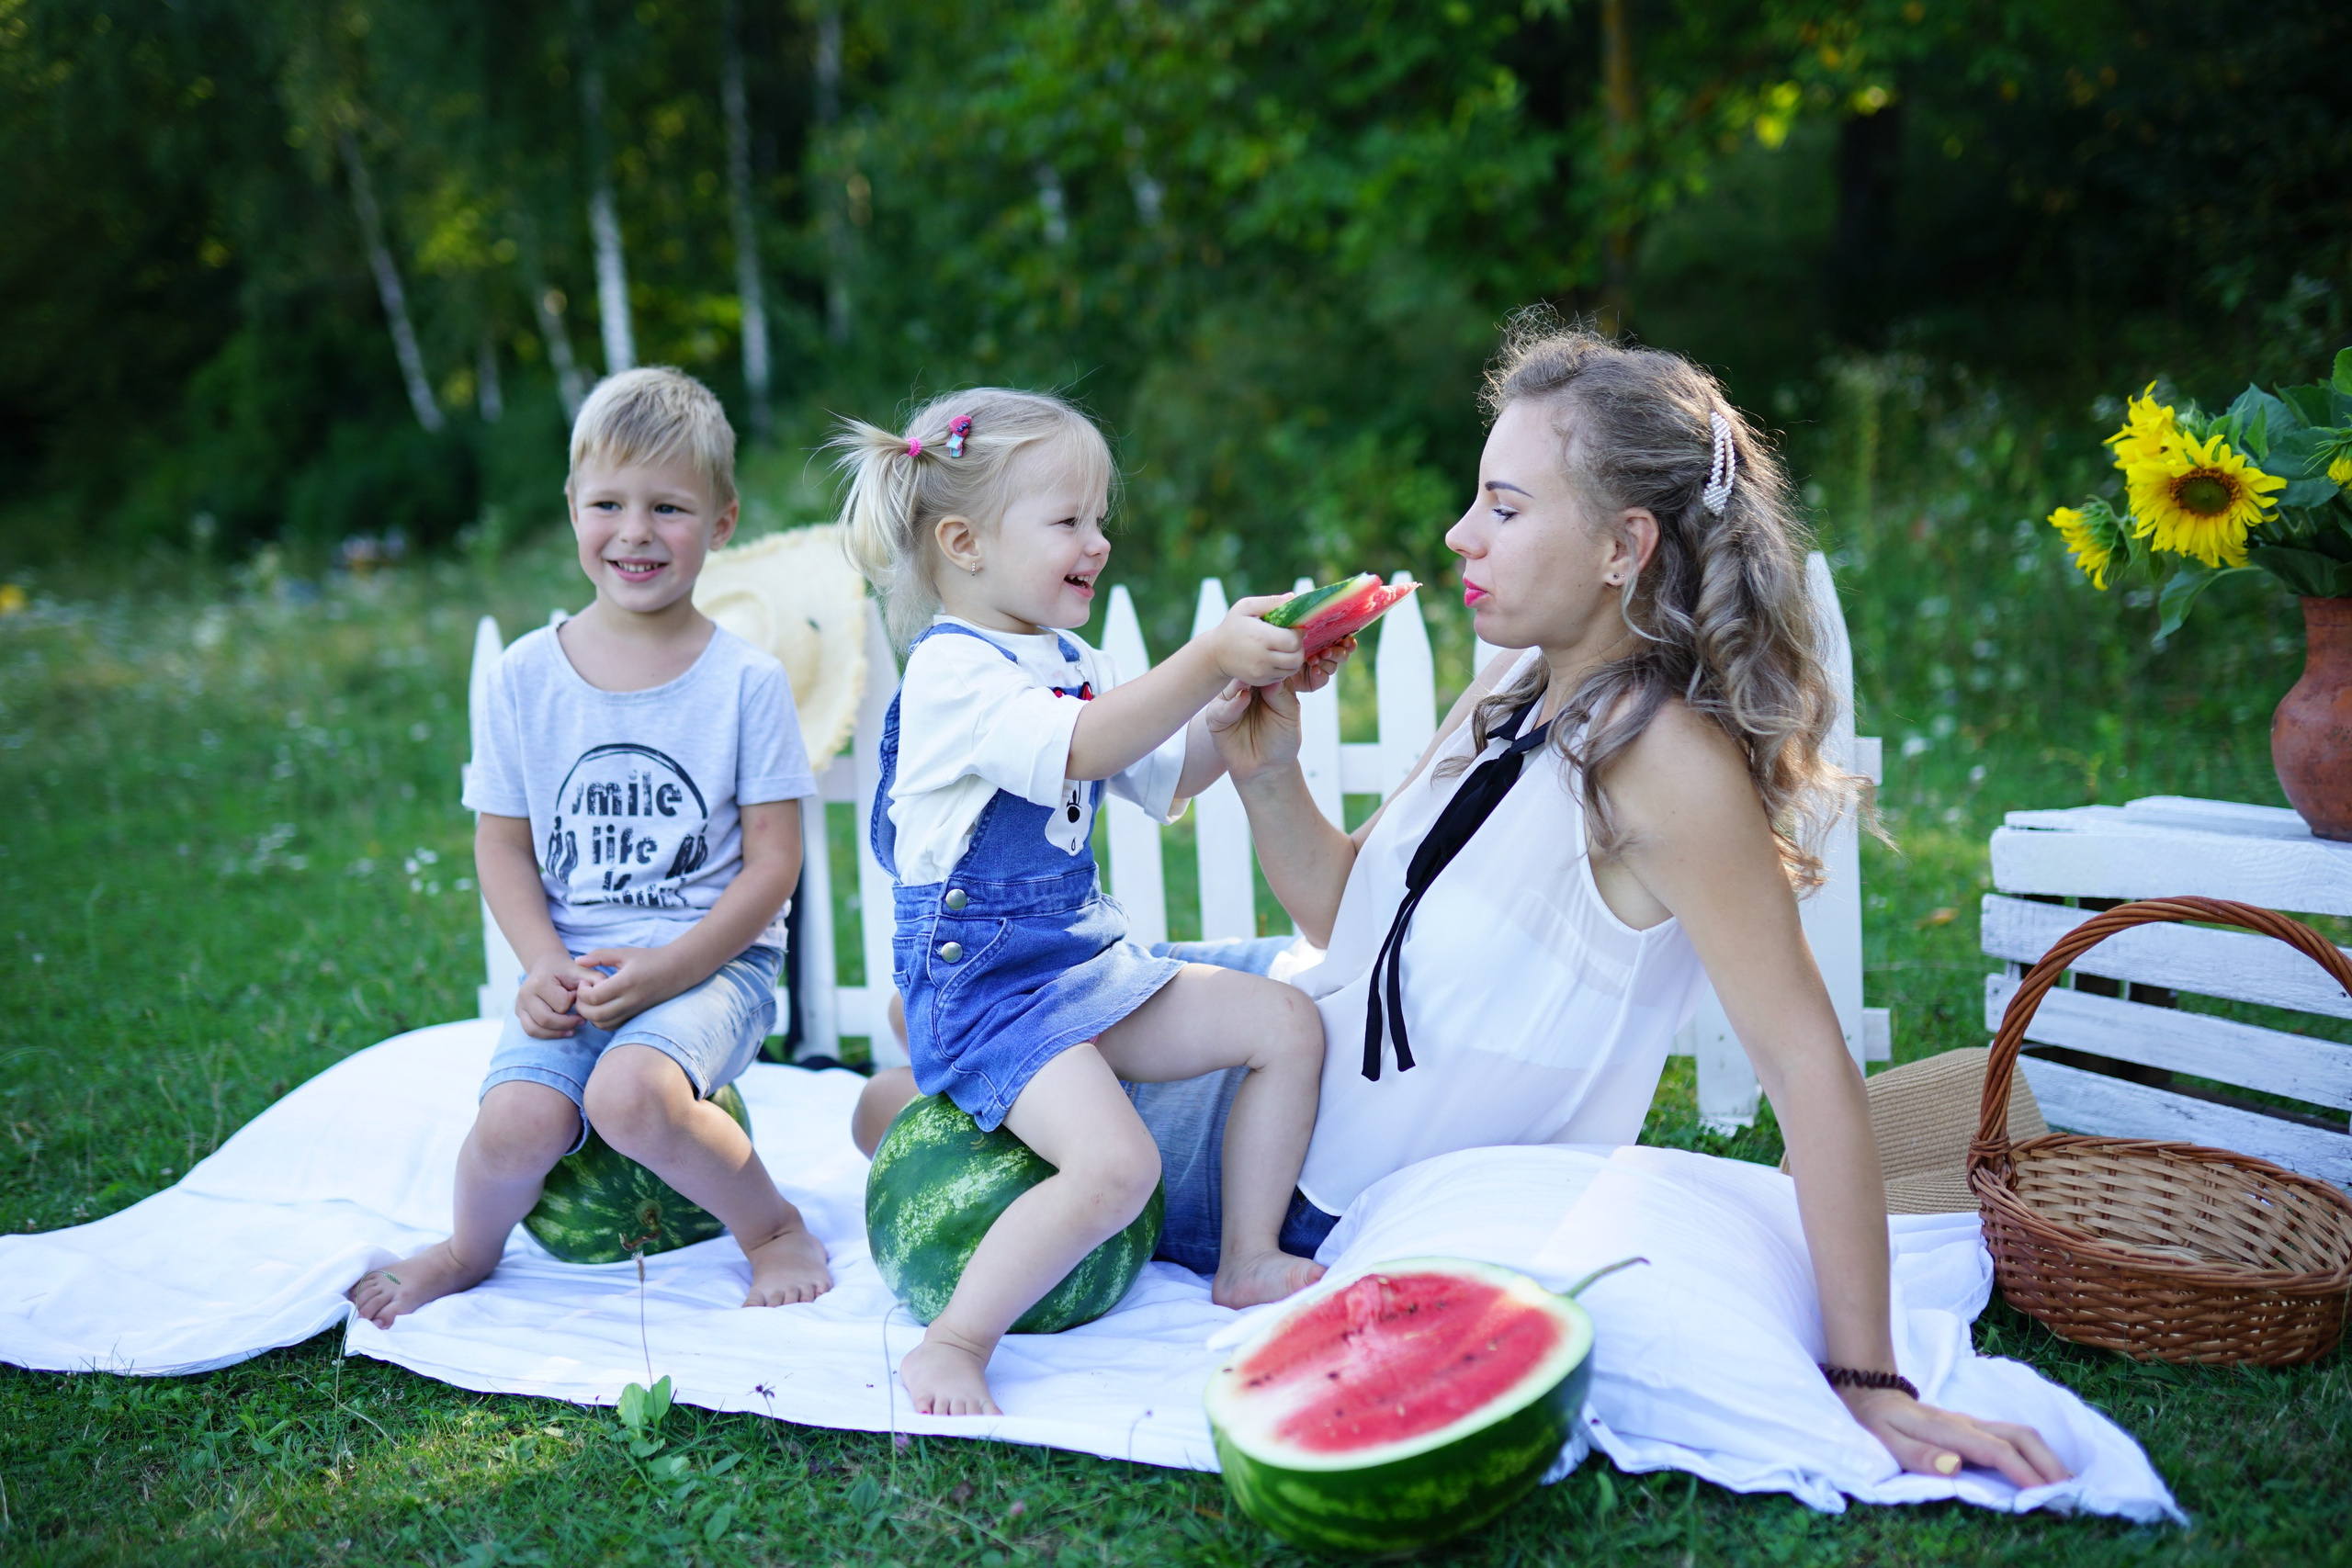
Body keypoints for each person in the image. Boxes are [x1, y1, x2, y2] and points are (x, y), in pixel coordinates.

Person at [1135, 315, 2068, 1489]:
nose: (1458, 533)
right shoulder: (1517, 681)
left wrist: (1869, 1376)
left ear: (1625, 545)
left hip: (1285, 1176)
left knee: (935, 1098)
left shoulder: (1661, 765)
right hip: (1278, 1032)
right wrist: (1270, 771)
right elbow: (1344, 916)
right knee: (984, 1034)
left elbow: (1804, 1064)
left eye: (1506, 509)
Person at [833, 389, 1333, 1416]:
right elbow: (1082, 746)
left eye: (1100, 520)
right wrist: (1204, 658)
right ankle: (955, 1339)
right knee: (1116, 1167)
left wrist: (1233, 709)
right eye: (1069, 521)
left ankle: (1246, 1256)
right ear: (963, 542)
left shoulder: (1069, 661)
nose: (1097, 542)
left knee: (1285, 1022)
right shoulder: (951, 674)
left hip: (1081, 966)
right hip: (990, 994)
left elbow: (1159, 774)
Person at [349, 367, 831, 1327]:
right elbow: (501, 846)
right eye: (608, 503)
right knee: (515, 1121)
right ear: (571, 509)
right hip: (573, 970)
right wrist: (541, 965)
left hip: (712, 966)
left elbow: (775, 864)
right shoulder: (528, 677)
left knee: (632, 1096)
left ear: (723, 522)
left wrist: (669, 968)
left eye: (669, 507)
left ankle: (774, 1228)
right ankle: (465, 1248)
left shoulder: (745, 683)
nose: (636, 531)